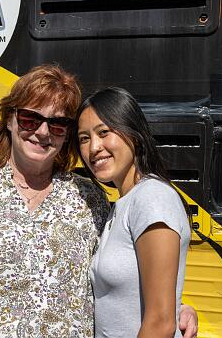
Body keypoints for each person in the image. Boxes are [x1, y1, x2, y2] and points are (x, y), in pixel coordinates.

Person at [0, 64, 198, 338]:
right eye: (30, 119)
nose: (43, 132)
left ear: (66, 135)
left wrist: (176, 309)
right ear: (9, 120)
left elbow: (121, 273)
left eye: (57, 124)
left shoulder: (89, 198)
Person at [76, 87, 194, 338]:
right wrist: (183, 307)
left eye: (104, 132)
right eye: (84, 138)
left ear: (134, 134)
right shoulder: (124, 203)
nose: (93, 147)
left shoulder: (152, 198)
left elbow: (161, 323)